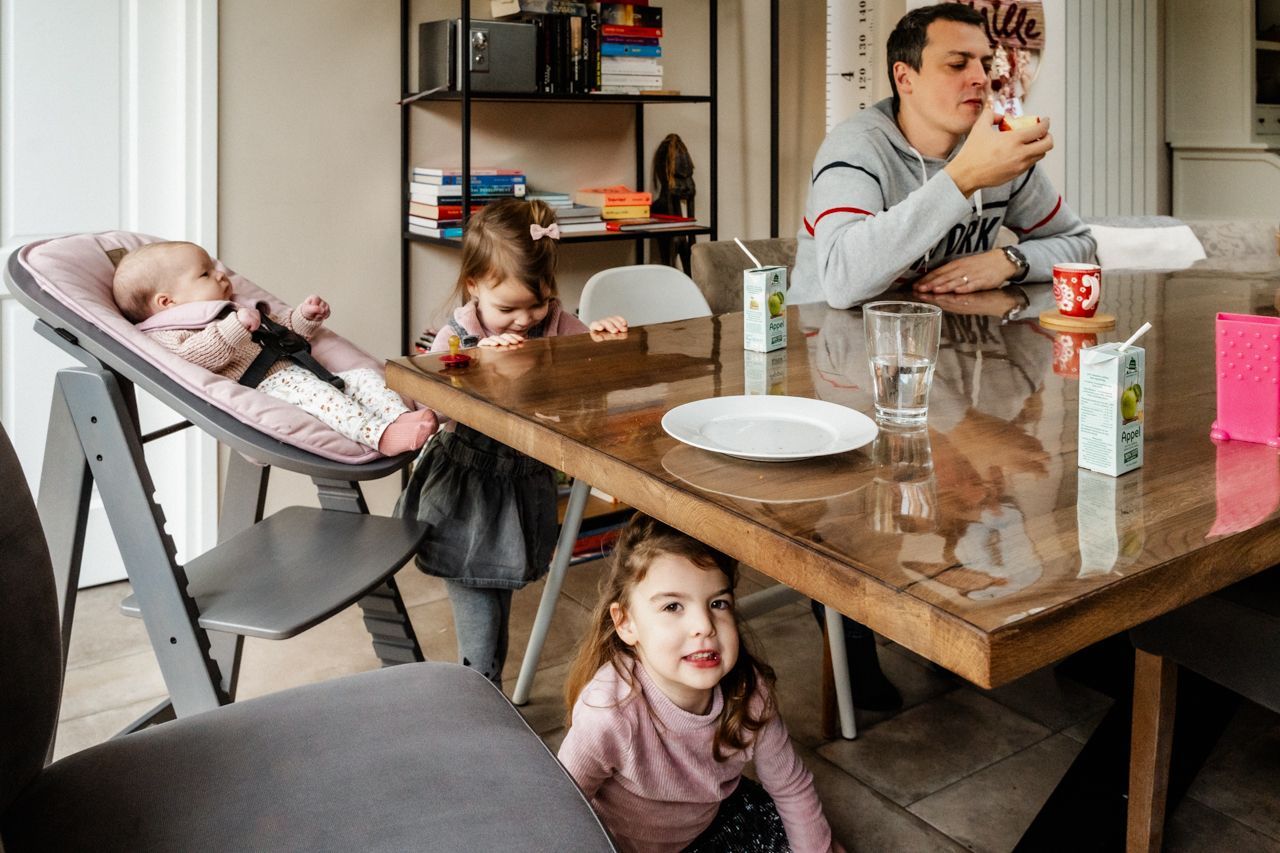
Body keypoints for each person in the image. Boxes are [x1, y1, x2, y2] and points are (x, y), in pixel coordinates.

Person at [395, 198, 627, 687]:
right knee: (478, 616)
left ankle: (487, 691)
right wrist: (480, 360)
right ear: (474, 285)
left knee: (499, 600)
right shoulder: (455, 336)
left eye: (536, 303)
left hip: (523, 487)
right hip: (467, 489)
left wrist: (600, 339)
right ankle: (479, 698)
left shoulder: (556, 323)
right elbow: (429, 404)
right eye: (508, 309)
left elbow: (588, 375)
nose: (525, 319)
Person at [558, 513, 842, 853]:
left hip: (709, 827)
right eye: (673, 606)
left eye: (718, 604)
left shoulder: (749, 692)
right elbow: (556, 812)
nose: (704, 626)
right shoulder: (608, 713)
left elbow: (791, 787)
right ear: (626, 623)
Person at [789, 2, 1095, 309]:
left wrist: (1010, 260)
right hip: (829, 342)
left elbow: (1080, 244)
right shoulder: (855, 147)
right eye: (958, 64)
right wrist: (964, 176)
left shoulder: (996, 145)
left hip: (944, 343)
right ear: (905, 78)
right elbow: (842, 281)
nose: (980, 78)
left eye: (985, 65)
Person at [112, 241, 436, 455]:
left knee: (364, 377)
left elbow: (281, 330)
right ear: (168, 302)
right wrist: (234, 327)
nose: (222, 276)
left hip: (302, 369)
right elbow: (193, 356)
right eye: (206, 274)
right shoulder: (169, 331)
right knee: (321, 397)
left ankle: (398, 417)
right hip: (266, 384)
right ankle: (381, 435)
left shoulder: (228, 307)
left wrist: (304, 318)